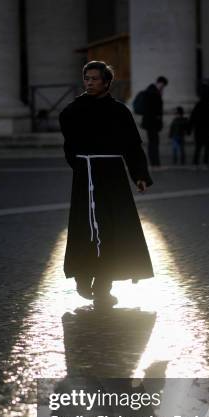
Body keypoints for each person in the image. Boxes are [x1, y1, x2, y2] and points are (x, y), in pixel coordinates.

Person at [59, 60, 154, 306]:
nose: (89, 82)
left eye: (95, 79)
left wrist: (140, 175)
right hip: (86, 175)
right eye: (87, 78)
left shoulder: (119, 112)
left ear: (106, 82)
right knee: (84, 226)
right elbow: (69, 144)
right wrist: (80, 164)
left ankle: (103, 285)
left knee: (113, 227)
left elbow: (132, 146)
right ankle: (82, 276)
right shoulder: (73, 111)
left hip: (112, 176)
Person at [141, 76, 168, 168]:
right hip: (152, 123)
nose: (163, 88)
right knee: (154, 142)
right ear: (160, 83)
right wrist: (159, 96)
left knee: (153, 142)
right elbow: (155, 109)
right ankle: (155, 163)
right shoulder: (153, 92)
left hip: (150, 123)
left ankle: (154, 162)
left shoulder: (151, 91)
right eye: (163, 86)